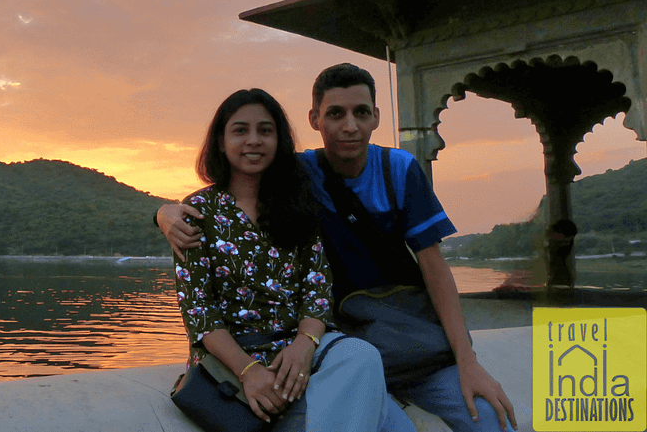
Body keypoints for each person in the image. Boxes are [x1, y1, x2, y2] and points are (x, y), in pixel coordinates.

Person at [160, 65, 518, 432]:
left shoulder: (375, 176)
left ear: (376, 116)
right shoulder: (281, 184)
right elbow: (198, 304)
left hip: (397, 345)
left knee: (493, 421)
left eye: (361, 112)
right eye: (336, 114)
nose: (350, 126)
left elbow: (431, 268)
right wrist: (162, 213)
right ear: (314, 119)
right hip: (314, 343)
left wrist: (468, 361)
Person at [170, 88, 413, 431]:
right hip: (232, 357)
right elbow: (200, 314)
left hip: (297, 349)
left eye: (265, 131)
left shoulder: (296, 204)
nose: (253, 140)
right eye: (240, 130)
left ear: (278, 141)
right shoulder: (197, 212)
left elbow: (316, 291)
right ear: (221, 143)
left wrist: (304, 345)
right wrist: (248, 371)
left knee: (362, 356)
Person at [544, 219, 577, 288]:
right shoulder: (541, 247)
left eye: (566, 242)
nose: (562, 245)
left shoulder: (563, 251)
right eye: (558, 242)